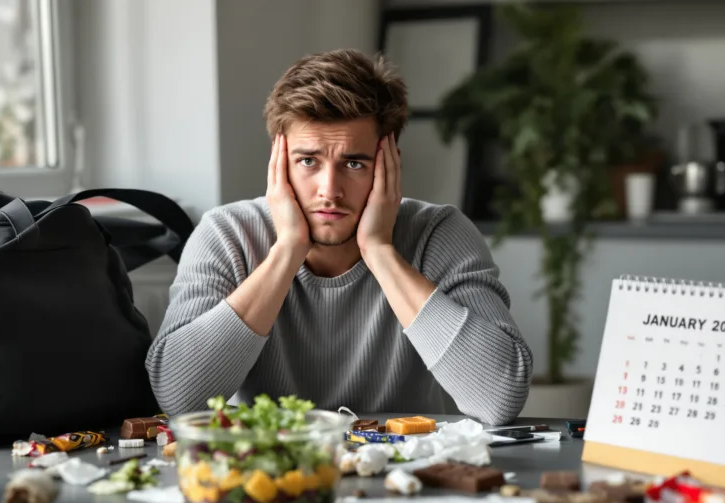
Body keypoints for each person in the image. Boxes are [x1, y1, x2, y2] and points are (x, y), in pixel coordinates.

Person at [146, 48, 533, 424]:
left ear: (388, 161)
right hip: (271, 474)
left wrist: (380, 252)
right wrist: (287, 251)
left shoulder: (439, 233)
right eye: (308, 161)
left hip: (408, 473)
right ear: (279, 162)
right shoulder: (226, 233)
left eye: (353, 163)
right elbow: (180, 399)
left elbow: (498, 398)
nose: (329, 189)